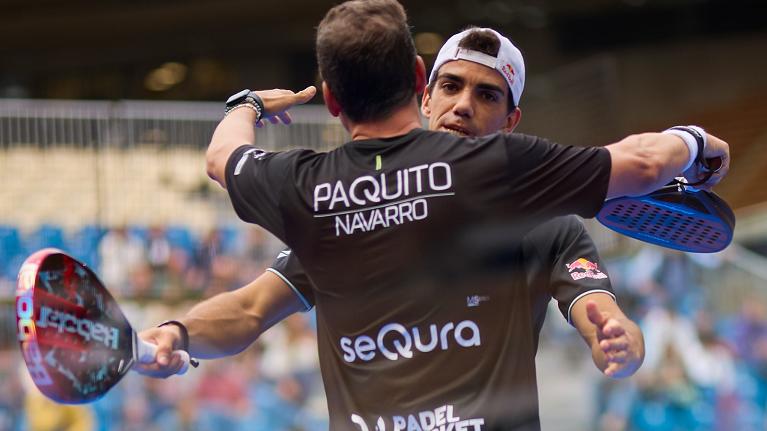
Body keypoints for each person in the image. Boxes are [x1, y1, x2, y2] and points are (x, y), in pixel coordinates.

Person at [139, 1, 729, 429]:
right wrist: (179, 332)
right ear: (424, 90)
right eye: (452, 86)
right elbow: (247, 309)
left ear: (511, 121)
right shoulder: (345, 208)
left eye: (487, 94)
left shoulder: (540, 217)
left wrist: (616, 334)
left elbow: (594, 306)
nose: (464, 105)